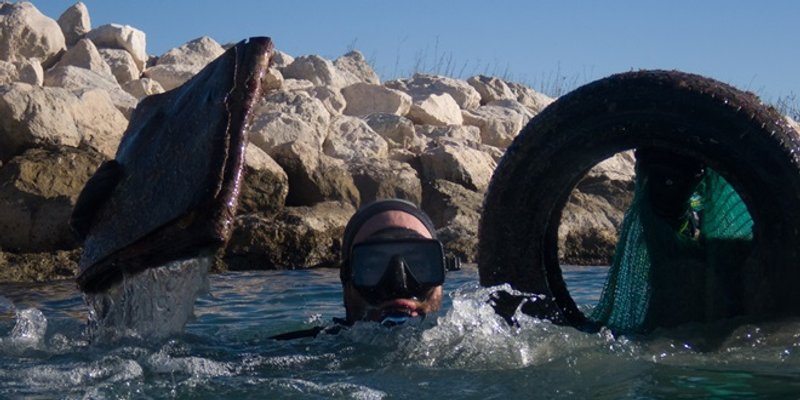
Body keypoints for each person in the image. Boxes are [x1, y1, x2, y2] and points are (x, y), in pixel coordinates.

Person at [270, 199, 458, 340]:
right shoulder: (293, 353)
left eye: (417, 264)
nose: (398, 284)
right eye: (373, 265)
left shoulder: (475, 340)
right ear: (346, 278)